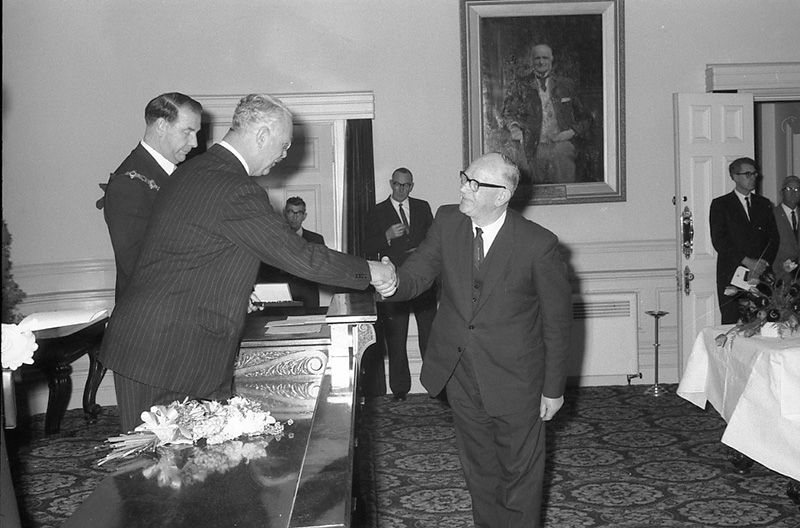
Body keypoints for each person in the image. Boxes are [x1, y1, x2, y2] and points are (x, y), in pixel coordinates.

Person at [98, 93, 396, 432]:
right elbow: (299, 255)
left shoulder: (195, 170)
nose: (284, 156)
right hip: (166, 352)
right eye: (283, 146)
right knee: (158, 473)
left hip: (159, 345)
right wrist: (371, 271)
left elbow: (197, 256)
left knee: (179, 471)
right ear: (263, 135)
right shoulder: (234, 188)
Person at [384, 152, 572, 527]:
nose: (462, 187)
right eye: (463, 177)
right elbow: (418, 273)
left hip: (517, 380)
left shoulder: (539, 244)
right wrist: (390, 280)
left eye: (473, 183)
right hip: (461, 376)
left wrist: (554, 389)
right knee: (479, 473)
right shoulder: (448, 221)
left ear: (501, 195)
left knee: (520, 478)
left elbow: (557, 323)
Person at [97, 92, 203, 301]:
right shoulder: (128, 184)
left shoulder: (178, 175)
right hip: (150, 320)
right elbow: (142, 270)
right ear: (162, 126)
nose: (195, 143)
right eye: (188, 132)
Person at [363, 168, 437, 400]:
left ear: (411, 186)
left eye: (405, 185)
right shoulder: (377, 211)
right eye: (397, 184)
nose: (401, 189)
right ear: (390, 183)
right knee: (396, 338)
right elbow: (366, 246)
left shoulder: (423, 207)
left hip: (423, 279)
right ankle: (400, 391)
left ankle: (435, 387)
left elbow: (434, 241)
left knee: (430, 335)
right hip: (393, 281)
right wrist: (386, 235)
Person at [502, 43, 593, 184]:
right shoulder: (520, 85)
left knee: (564, 180)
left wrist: (572, 131)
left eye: (545, 58)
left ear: (552, 60)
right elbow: (508, 113)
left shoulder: (566, 85)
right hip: (533, 145)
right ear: (531, 61)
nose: (541, 62)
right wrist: (514, 127)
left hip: (562, 144)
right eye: (537, 58)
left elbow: (587, 119)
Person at [710, 157, 780, 324]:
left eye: (754, 173)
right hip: (733, 271)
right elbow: (720, 240)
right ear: (734, 176)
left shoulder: (763, 204)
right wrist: (747, 261)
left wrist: (762, 263)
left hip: (761, 273)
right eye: (747, 174)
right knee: (733, 322)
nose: (753, 177)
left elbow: (773, 238)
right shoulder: (721, 204)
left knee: (762, 320)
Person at [257, 197, 326, 309]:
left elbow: (321, 269)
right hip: (279, 299)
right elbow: (263, 270)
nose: (295, 216)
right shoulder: (271, 238)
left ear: (304, 216)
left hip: (308, 298)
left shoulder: (316, 240)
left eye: (299, 213)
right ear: (284, 213)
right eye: (290, 212)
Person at [772, 175, 800, 281]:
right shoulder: (772, 215)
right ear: (781, 193)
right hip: (780, 274)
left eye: (797, 189)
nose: (793, 192)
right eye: (789, 189)